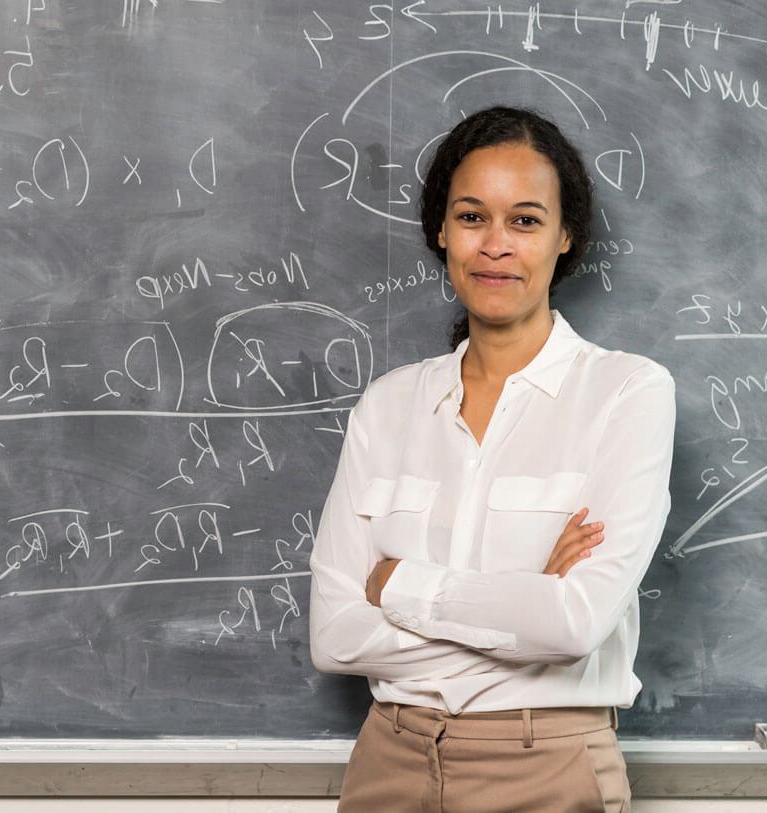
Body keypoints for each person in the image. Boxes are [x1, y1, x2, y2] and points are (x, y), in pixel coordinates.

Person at [309, 106, 676, 812]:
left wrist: (402, 585)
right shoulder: (387, 406)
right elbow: (334, 635)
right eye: (473, 216)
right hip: (389, 763)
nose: (496, 245)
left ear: (566, 237)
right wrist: (520, 608)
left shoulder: (627, 392)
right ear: (441, 231)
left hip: (547, 768)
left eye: (526, 220)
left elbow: (572, 625)